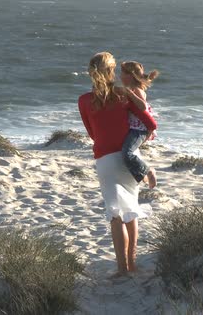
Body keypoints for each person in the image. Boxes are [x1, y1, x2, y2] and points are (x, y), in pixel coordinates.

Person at [78, 52, 158, 277]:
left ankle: (122, 269)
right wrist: (147, 135)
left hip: (105, 159)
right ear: (111, 71)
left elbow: (92, 133)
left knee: (115, 215)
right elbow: (150, 122)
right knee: (130, 209)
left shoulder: (84, 100)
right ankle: (132, 265)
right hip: (129, 159)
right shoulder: (124, 95)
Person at [120, 61, 159, 189]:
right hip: (134, 127)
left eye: (122, 73)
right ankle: (140, 176)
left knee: (127, 153)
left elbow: (142, 106)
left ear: (130, 76)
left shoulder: (137, 90)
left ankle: (148, 172)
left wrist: (130, 94)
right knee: (127, 152)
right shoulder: (133, 89)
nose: (120, 76)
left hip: (139, 130)